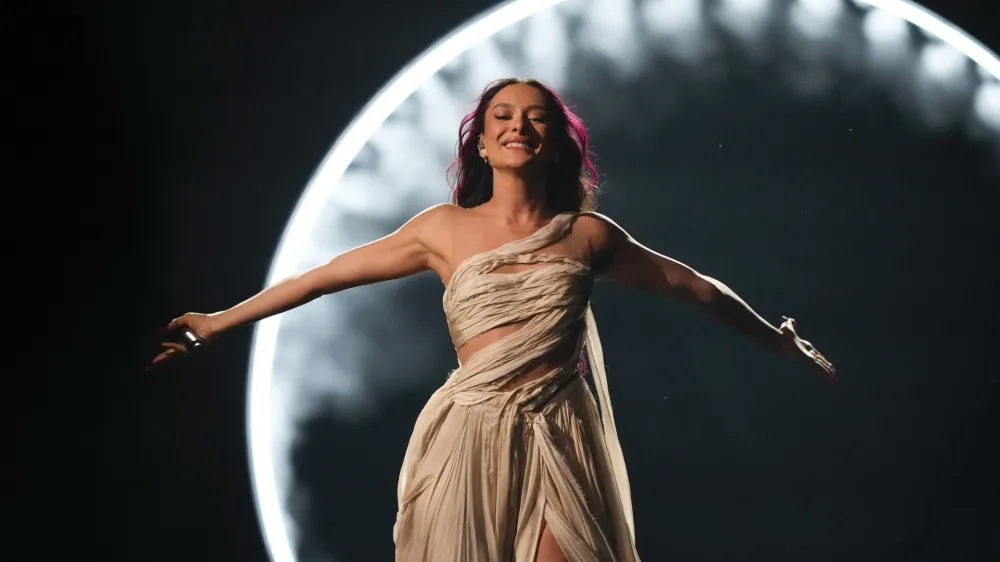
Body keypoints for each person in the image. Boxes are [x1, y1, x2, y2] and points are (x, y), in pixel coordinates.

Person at [151, 77, 835, 562]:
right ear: (481, 142)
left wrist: (775, 341)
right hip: (471, 431)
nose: (518, 125)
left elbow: (698, 289)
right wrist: (217, 321)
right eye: (502, 115)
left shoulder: (586, 236)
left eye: (535, 117)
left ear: (555, 144)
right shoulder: (442, 229)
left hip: (562, 435)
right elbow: (319, 279)